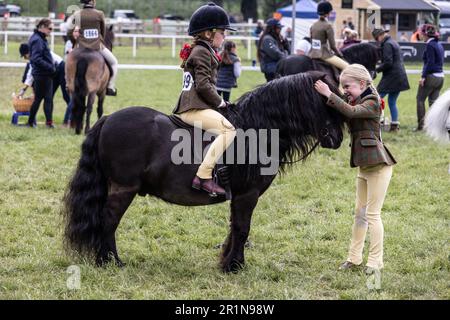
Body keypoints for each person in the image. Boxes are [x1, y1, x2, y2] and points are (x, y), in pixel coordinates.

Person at [314, 64, 396, 275]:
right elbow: (345, 108)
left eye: (347, 86)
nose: (345, 90)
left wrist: (329, 93)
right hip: (364, 165)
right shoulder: (358, 98)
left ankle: (375, 263)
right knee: (359, 215)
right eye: (343, 87)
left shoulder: (372, 102)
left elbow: (350, 112)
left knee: (372, 215)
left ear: (361, 83)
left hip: (378, 166)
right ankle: (354, 258)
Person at [172, 3, 237, 196]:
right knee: (228, 131)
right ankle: (204, 176)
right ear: (209, 33)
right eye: (222, 32)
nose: (224, 36)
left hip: (196, 105)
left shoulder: (203, 49)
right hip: (194, 108)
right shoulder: (201, 51)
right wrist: (220, 102)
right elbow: (202, 85)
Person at [67, 0, 118, 96]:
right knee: (114, 62)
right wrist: (99, 41)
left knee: (68, 62)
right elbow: (103, 32)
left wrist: (75, 43)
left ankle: (68, 83)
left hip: (81, 48)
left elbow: (70, 32)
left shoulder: (77, 13)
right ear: (92, 1)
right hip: (97, 47)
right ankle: (110, 87)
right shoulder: (99, 14)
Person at [18, 43, 71, 127]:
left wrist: (25, 89)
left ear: (28, 53)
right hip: (53, 71)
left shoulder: (38, 54)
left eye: (24, 56)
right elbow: (30, 74)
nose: (25, 58)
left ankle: (71, 119)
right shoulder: (34, 57)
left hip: (61, 68)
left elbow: (31, 73)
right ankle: (49, 122)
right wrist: (24, 89)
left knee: (66, 96)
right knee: (49, 97)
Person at [372, 28, 410, 132]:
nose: (377, 41)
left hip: (392, 76)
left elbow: (388, 62)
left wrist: (376, 69)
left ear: (380, 35)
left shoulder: (388, 44)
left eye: (376, 39)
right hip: (399, 75)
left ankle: (373, 123)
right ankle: (394, 126)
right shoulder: (393, 42)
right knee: (392, 101)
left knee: (375, 98)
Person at [26, 18, 56, 128]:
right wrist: (50, 67)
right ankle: (31, 122)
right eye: (50, 28)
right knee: (40, 99)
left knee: (46, 99)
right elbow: (36, 58)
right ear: (42, 27)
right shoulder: (38, 40)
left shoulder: (40, 38)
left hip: (44, 74)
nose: (51, 31)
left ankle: (47, 122)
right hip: (42, 74)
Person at [415, 24, 445, 131]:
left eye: (422, 33)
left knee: (420, 99)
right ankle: (435, 126)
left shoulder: (430, 45)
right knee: (433, 103)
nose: (421, 35)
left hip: (431, 77)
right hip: (440, 77)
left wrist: (423, 76)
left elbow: (430, 62)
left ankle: (421, 126)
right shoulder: (439, 44)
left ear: (425, 34)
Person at [309, 1, 349, 71]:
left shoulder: (313, 25)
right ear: (328, 13)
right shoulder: (328, 26)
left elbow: (311, 39)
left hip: (312, 54)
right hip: (324, 55)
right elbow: (332, 46)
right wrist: (340, 54)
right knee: (347, 67)